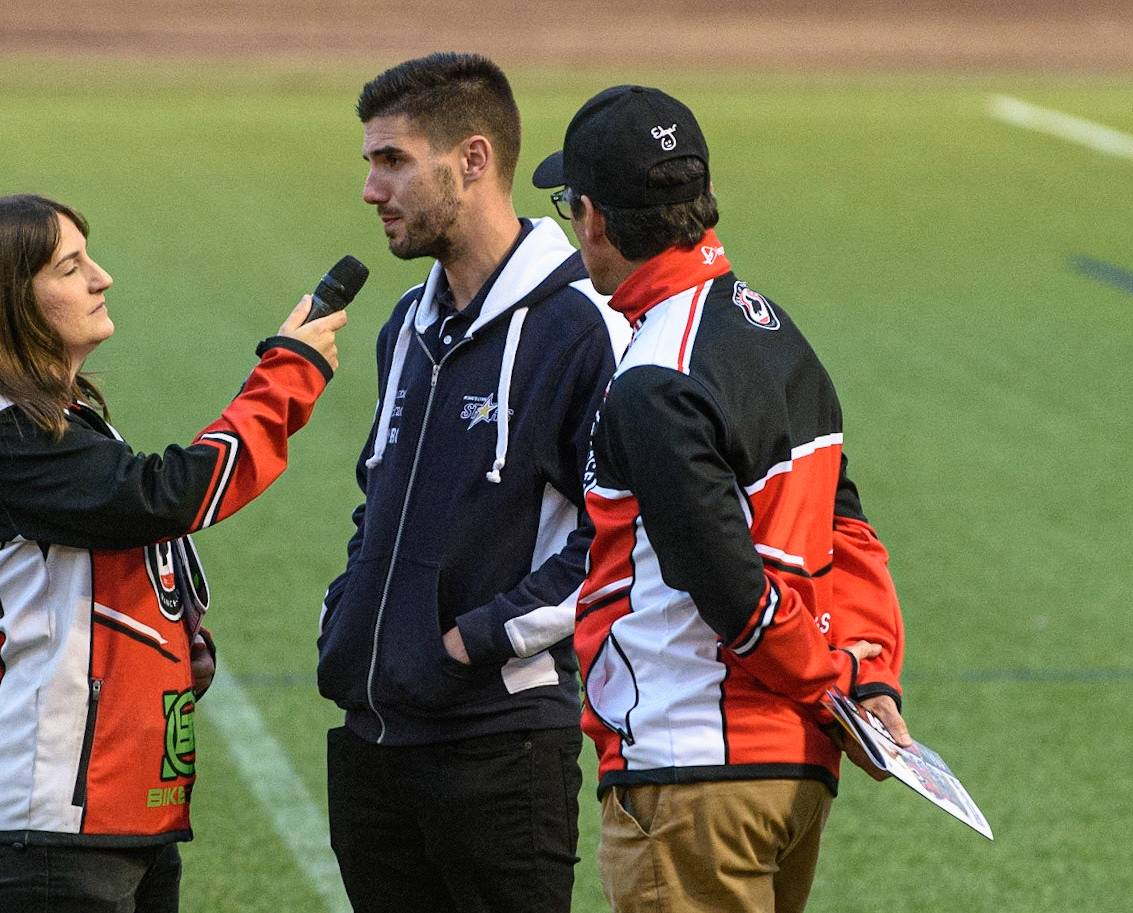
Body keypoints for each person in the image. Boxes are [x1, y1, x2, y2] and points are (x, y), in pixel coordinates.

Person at [531, 86, 912, 913]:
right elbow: (848, 531)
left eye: (569, 208)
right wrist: (869, 678)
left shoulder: (653, 379)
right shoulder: (776, 333)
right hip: (794, 774)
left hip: (694, 774)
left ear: (593, 219)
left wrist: (825, 679)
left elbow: (731, 590)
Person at [0, 193, 344, 912]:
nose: (102, 277)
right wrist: (287, 377)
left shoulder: (68, 425)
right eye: (71, 266)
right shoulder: (11, 436)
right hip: (53, 824)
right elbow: (165, 495)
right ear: (13, 303)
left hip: (120, 815)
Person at [315, 53, 629, 913]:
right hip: (373, 743)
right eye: (370, 163)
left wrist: (479, 638)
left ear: (474, 160)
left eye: (394, 161)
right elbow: (376, 500)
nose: (373, 190)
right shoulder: (404, 328)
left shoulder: (583, 330)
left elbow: (620, 537)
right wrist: (348, 616)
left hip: (499, 749)